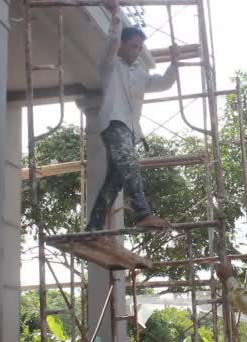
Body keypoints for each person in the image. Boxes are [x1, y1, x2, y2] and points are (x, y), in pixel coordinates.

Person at [86, 0, 180, 232]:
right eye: (133, 46)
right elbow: (112, 40)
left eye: (139, 47)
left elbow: (165, 83)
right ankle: (143, 213)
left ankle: (93, 228)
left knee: (114, 182)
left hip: (130, 130)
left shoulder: (140, 72)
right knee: (130, 165)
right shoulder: (109, 64)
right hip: (113, 124)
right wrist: (116, 15)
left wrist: (174, 63)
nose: (136, 51)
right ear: (122, 46)